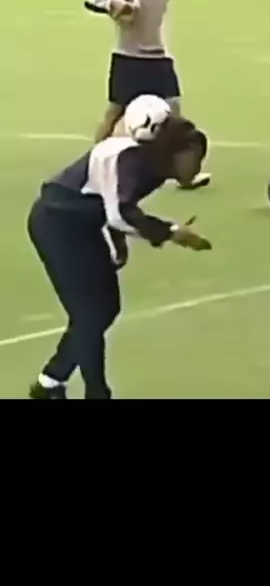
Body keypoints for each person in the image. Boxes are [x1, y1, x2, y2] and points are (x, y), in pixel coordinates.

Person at [27, 95, 212, 400]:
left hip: (83, 224)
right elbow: (119, 213)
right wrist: (171, 232)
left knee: (104, 310)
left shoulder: (154, 164)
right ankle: (96, 393)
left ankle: (50, 382)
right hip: (57, 224)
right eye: (190, 157)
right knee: (90, 315)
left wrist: (118, 239)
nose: (195, 166)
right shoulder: (130, 158)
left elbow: (109, 200)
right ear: (171, 149)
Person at [84, 0, 211, 190]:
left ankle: (185, 174)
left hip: (158, 57)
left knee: (174, 113)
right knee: (114, 114)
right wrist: (113, 5)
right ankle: (90, 168)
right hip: (129, 58)